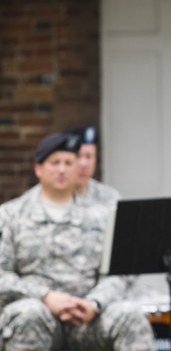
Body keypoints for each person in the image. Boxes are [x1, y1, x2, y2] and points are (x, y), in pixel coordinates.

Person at [0, 132, 155, 350]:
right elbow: (2, 275)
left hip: (88, 317)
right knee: (28, 314)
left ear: (78, 169)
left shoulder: (102, 215)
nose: (62, 169)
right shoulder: (10, 215)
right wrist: (45, 297)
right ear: (38, 168)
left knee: (129, 315)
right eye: (55, 163)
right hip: (38, 315)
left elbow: (119, 272)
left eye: (69, 163)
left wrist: (94, 303)